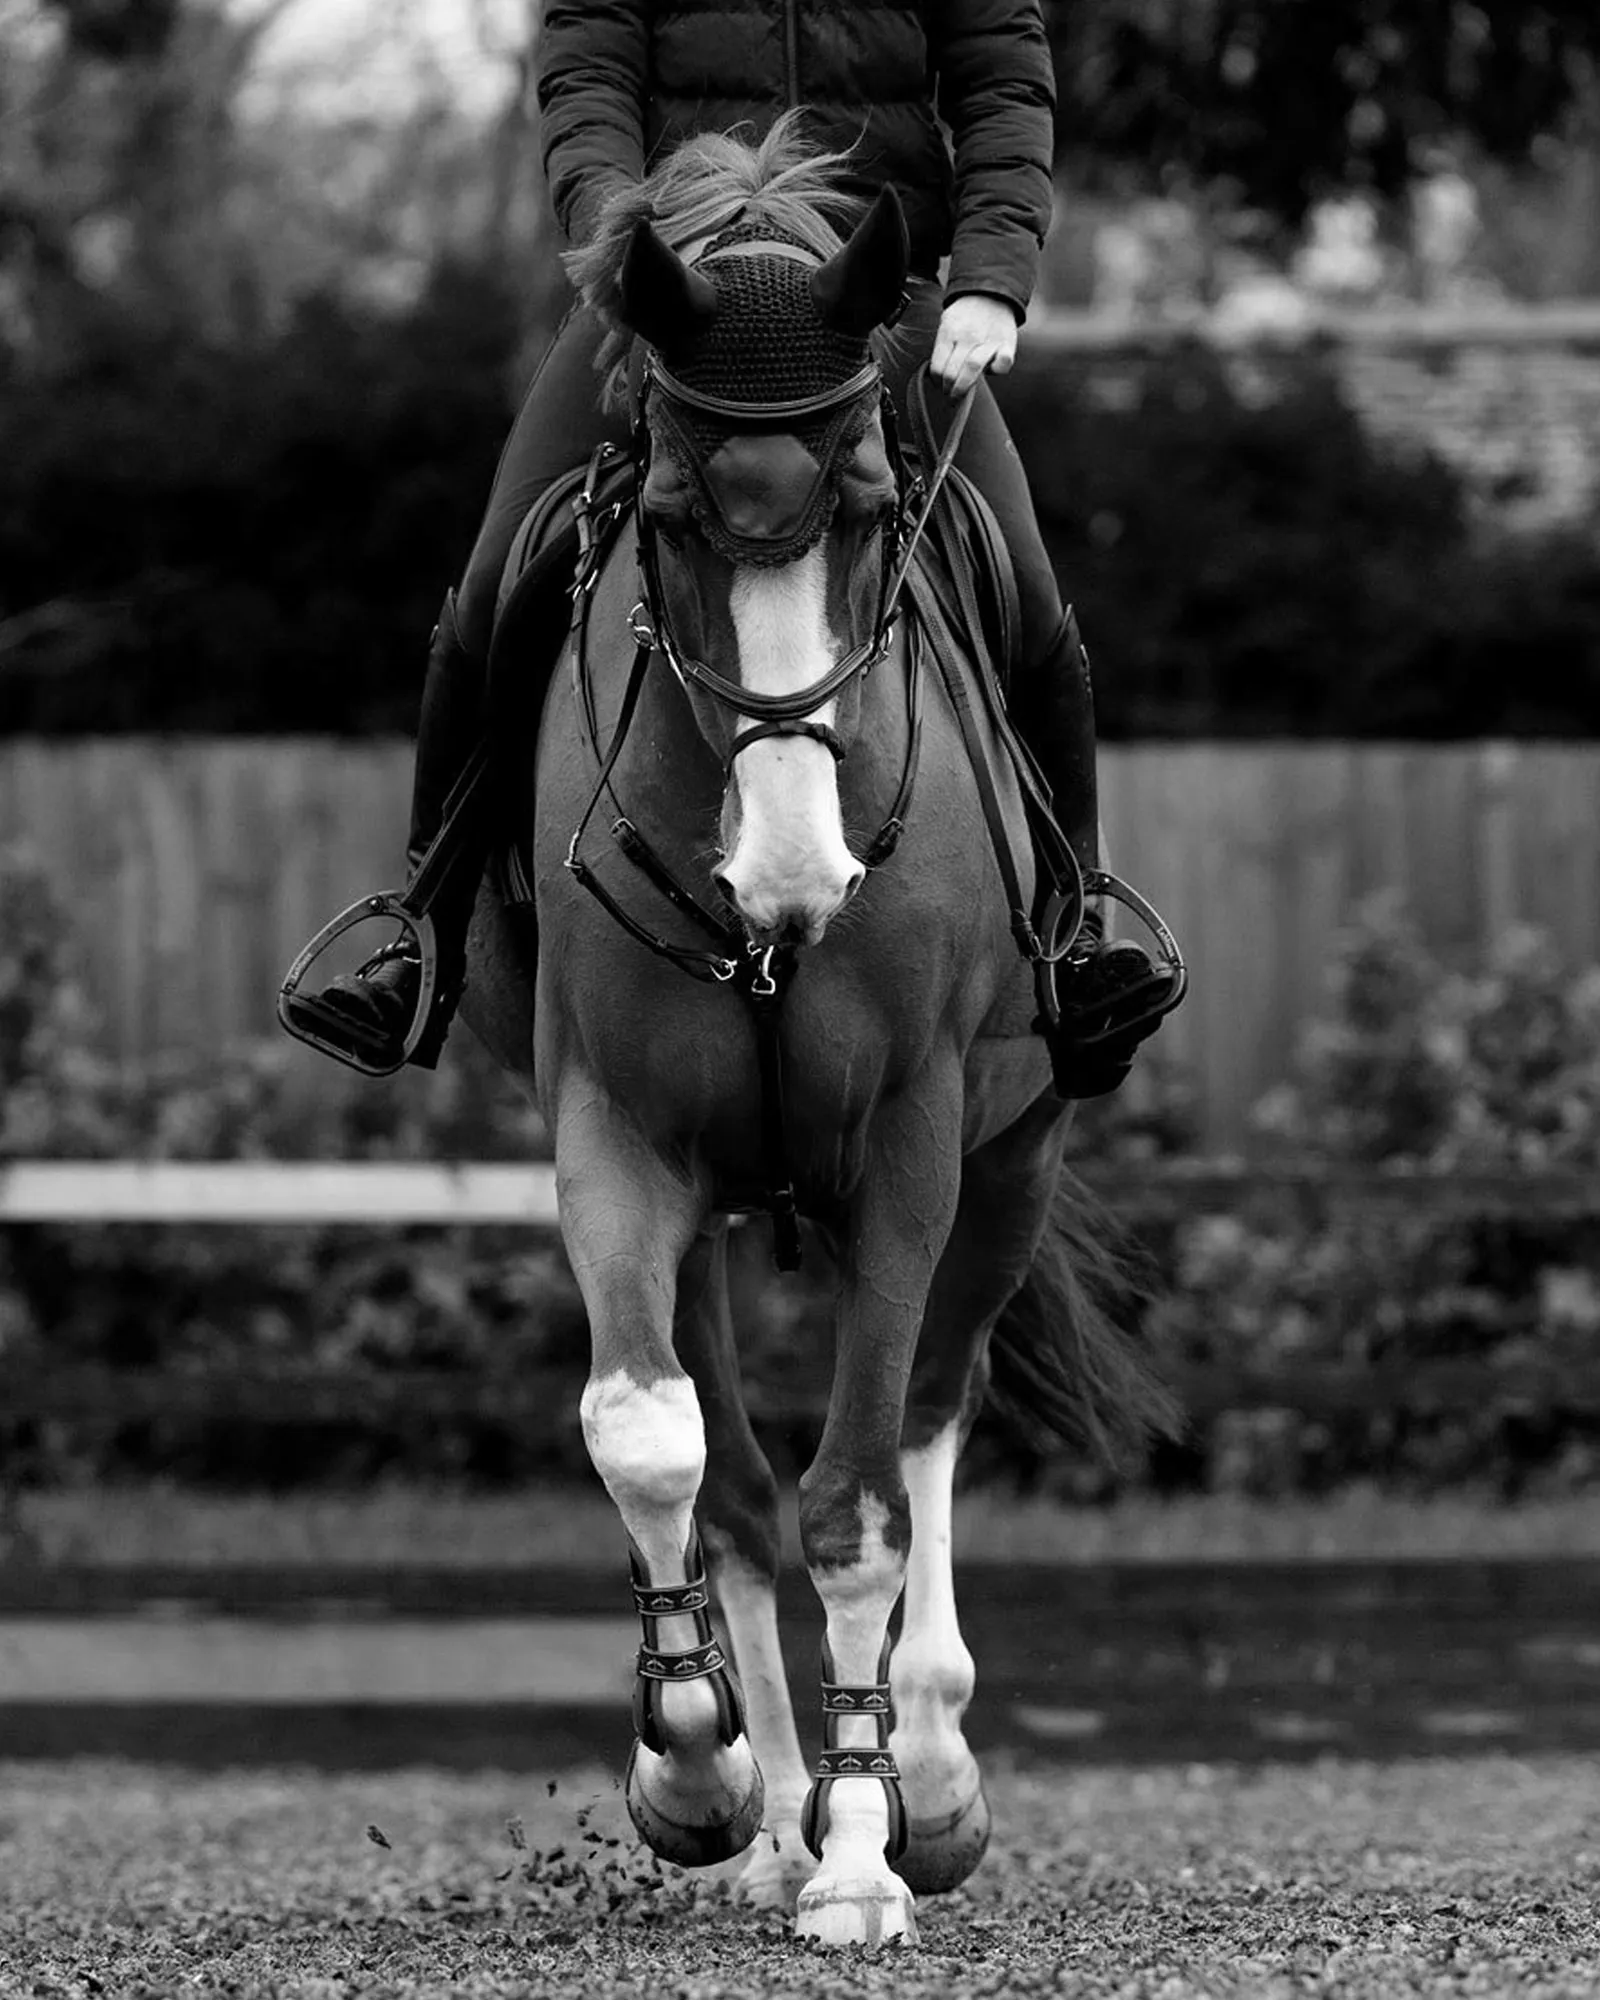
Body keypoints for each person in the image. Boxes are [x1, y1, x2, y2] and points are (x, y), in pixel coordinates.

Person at [286, 0, 1180, 1096]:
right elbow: (586, 83)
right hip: (677, 296)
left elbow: (1004, 82)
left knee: (1029, 605)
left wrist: (992, 273)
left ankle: (1075, 937)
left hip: (870, 289)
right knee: (487, 594)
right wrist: (633, 253)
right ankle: (420, 935)